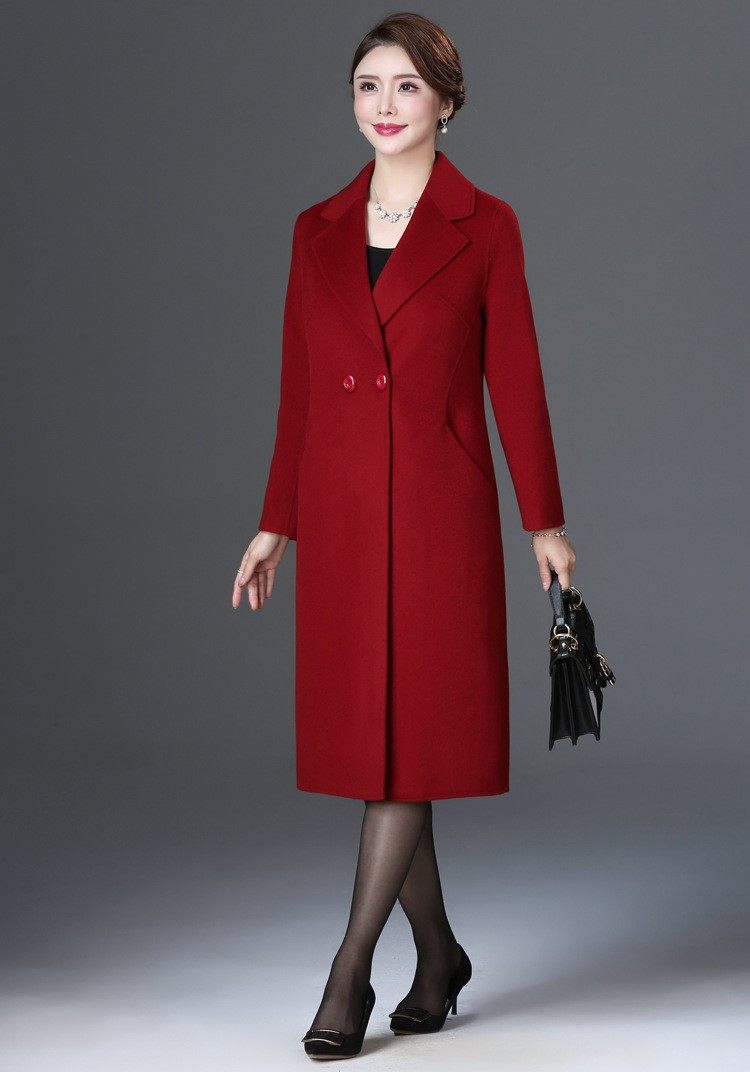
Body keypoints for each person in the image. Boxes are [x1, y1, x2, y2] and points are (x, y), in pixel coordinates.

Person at [232, 12, 576, 1060]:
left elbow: (517, 376)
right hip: (342, 516)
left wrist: (544, 519)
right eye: (367, 86)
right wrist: (275, 523)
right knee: (385, 746)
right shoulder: (316, 228)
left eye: (408, 87)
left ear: (448, 102)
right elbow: (298, 390)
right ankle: (439, 956)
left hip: (437, 513)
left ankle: (349, 971)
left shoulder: (488, 224)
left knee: (406, 742)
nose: (384, 106)